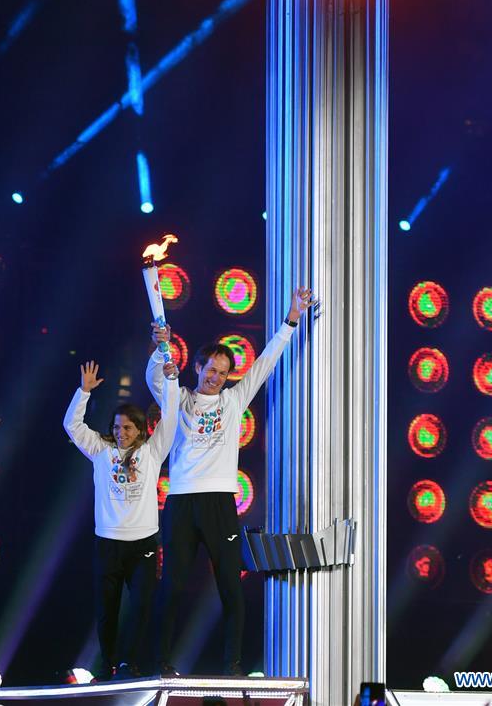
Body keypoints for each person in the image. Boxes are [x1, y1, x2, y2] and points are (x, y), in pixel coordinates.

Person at [146, 287, 315, 676]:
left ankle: (233, 665)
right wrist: (159, 347)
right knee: (171, 585)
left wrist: (292, 320)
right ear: (198, 368)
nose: (216, 378)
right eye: (211, 370)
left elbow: (266, 362)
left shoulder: (233, 401)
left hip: (220, 503)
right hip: (181, 502)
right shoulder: (179, 399)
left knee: (230, 586)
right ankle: (161, 663)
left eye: (223, 373)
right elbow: (154, 378)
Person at [63, 359, 179, 681]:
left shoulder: (153, 452)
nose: (120, 433)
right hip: (108, 543)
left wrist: (171, 382)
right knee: (107, 610)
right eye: (116, 427)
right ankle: (107, 665)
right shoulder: (101, 451)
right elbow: (72, 425)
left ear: (140, 429)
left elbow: (171, 418)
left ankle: (128, 662)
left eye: (127, 428)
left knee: (140, 607)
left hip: (143, 545)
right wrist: (84, 392)